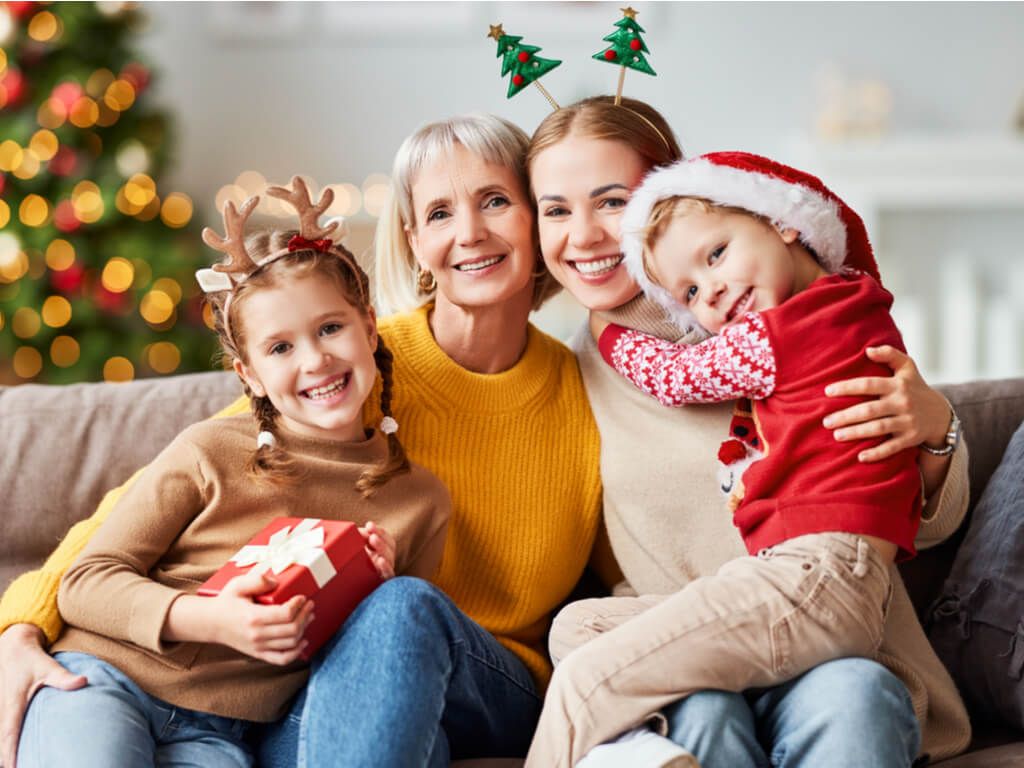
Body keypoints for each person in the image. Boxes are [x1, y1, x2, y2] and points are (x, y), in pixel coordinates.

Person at [0, 114, 607, 768]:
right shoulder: (355, 367)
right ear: (412, 237)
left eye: (495, 201)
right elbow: (155, 495)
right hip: (328, 680)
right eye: (438, 213)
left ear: (537, 216)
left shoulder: (588, 393)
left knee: (400, 605)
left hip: (492, 677)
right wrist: (22, 625)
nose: (469, 233)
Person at [527, 96, 971, 768]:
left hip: (831, 640)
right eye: (556, 210)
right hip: (695, 648)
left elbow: (920, 525)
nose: (584, 235)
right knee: (633, 670)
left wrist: (937, 431)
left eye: (612, 201)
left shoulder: (784, 316)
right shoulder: (560, 373)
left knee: (852, 698)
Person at [14, 177, 451, 768]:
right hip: (106, 675)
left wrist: (366, 590)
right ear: (248, 376)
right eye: (280, 348)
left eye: (330, 329)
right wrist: (208, 618)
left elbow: (363, 671)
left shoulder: (420, 501)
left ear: (369, 329)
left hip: (221, 735)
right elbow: (86, 580)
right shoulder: (210, 450)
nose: (316, 359)